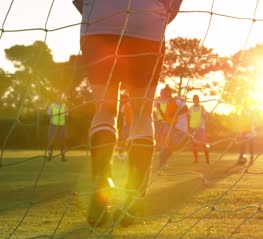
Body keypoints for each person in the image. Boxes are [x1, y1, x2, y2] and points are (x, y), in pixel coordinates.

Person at [74, 0, 184, 226]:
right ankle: (133, 195)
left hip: (99, 20)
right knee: (142, 112)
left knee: (104, 109)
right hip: (146, 21)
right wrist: (157, 14)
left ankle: (101, 181)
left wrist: (93, 10)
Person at [158, 85, 189, 170]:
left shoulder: (177, 99)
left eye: (166, 92)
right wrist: (159, 110)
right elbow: (167, 117)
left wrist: (176, 113)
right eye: (163, 93)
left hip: (181, 128)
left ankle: (162, 162)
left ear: (170, 92)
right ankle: (162, 163)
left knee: (174, 147)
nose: (164, 94)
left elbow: (186, 108)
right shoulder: (168, 104)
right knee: (169, 146)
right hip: (173, 129)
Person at [188, 94, 210, 164]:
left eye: (196, 99)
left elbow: (206, 116)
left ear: (198, 100)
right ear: (193, 100)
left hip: (201, 128)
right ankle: (196, 159)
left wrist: (205, 117)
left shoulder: (202, 108)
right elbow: (188, 117)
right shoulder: (191, 108)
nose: (195, 101)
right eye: (194, 99)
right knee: (194, 144)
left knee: (204, 144)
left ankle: (207, 160)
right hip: (193, 128)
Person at [47, 94, 68, 162]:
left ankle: (63, 156)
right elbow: (49, 115)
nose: (59, 99)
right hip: (53, 125)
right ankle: (50, 155)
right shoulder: (51, 106)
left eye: (60, 98)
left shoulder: (65, 106)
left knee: (63, 141)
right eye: (58, 97)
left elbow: (67, 115)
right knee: (51, 140)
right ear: (55, 98)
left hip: (62, 125)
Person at [153, 85, 171, 150]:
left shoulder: (168, 101)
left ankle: (164, 147)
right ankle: (159, 147)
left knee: (165, 134)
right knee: (158, 134)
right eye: (161, 92)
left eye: (163, 92)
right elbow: (153, 107)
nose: (162, 94)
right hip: (159, 120)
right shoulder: (158, 100)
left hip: (166, 121)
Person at [117, 92, 132, 160]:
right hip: (126, 126)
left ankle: (129, 155)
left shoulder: (131, 105)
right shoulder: (124, 105)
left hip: (131, 126)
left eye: (123, 98)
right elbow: (122, 115)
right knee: (123, 141)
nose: (122, 100)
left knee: (130, 141)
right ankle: (121, 154)